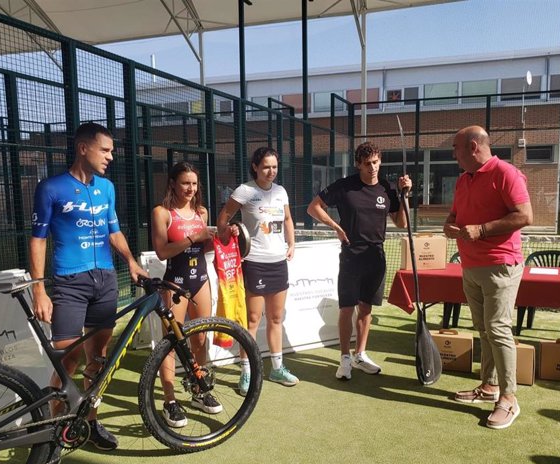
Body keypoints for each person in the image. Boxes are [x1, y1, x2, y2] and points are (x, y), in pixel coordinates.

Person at [29, 122, 147, 461]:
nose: (110, 156)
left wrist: (131, 262)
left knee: (98, 358)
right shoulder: (51, 188)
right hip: (69, 282)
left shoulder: (106, 188)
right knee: (69, 361)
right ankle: (53, 428)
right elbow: (38, 240)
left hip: (106, 280)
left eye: (111, 151)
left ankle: (90, 422)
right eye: (105, 150)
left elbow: (114, 230)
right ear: (83, 148)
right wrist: (39, 290)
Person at [444, 125, 532, 430]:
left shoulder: (506, 173)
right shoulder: (462, 180)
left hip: (500, 266)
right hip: (471, 266)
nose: (452, 153)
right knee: (484, 329)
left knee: (498, 328)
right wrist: (450, 225)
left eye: (455, 147)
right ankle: (490, 386)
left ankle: (509, 398)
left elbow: (525, 215)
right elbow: (454, 216)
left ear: (472, 147)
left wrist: (481, 230)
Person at [307, 141, 411, 380]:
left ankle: (360, 354)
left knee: (366, 309)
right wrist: (336, 226)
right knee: (346, 308)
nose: (372, 168)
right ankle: (344, 359)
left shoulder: (386, 188)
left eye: (376, 162)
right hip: (351, 256)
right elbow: (314, 208)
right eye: (367, 164)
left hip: (376, 257)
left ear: (380, 161)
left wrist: (405, 194)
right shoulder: (346, 186)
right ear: (358, 165)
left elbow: (402, 223)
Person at [217, 147, 298, 394]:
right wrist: (228, 233)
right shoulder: (244, 191)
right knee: (252, 320)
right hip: (254, 262)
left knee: (276, 318)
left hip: (278, 263)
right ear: (255, 167)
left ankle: (276, 367)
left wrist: (292, 243)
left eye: (274, 167)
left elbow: (287, 220)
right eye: (265, 167)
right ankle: (247, 372)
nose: (271, 171)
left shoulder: (281, 191)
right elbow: (224, 217)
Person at [151, 161, 221, 427]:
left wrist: (223, 236)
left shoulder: (201, 211)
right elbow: (162, 252)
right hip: (175, 284)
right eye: (185, 183)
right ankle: (170, 401)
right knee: (171, 343)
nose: (190, 188)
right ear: (173, 183)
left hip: (201, 281)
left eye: (194, 183)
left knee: (201, 339)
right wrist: (194, 238)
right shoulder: (162, 213)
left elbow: (205, 249)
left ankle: (199, 390)